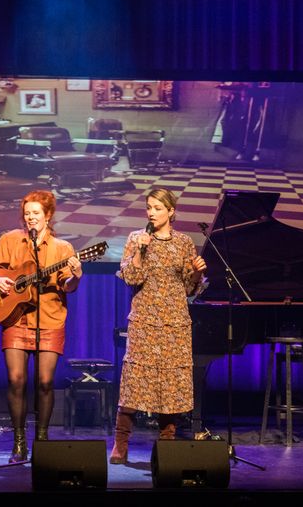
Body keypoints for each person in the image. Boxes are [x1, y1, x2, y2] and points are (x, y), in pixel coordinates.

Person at [0, 190, 82, 463]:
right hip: (16, 320)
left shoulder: (62, 249)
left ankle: (43, 441)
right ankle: (19, 441)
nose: (31, 218)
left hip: (49, 320)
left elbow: (67, 286)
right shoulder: (11, 239)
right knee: (16, 380)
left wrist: (76, 276)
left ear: (48, 216)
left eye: (36, 213)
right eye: (27, 214)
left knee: (45, 382)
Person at [111, 187, 207, 464]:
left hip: (175, 321)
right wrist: (141, 250)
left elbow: (189, 288)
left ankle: (167, 442)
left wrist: (198, 273)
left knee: (171, 384)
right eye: (149, 208)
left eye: (157, 208)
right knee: (134, 382)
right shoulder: (136, 239)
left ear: (171, 212)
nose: (151, 213)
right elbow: (130, 277)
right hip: (145, 320)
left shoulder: (184, 243)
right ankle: (120, 444)